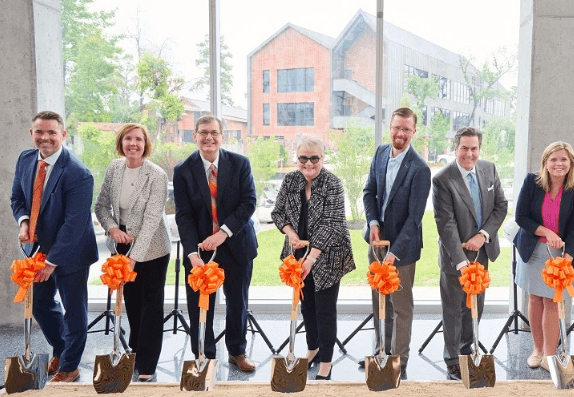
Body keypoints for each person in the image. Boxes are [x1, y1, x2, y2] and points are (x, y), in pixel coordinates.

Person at [10, 111, 99, 382]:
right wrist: (24, 223)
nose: (45, 137)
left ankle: (70, 366)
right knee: (39, 304)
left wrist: (51, 263)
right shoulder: (26, 159)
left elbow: (74, 225)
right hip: (37, 249)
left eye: (51, 132)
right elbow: (17, 198)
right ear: (32, 133)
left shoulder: (78, 173)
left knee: (74, 310)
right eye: (39, 132)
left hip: (71, 252)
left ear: (63, 135)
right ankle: (62, 349)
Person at [173, 115, 258, 372]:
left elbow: (248, 203)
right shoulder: (182, 170)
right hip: (200, 250)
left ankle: (237, 352)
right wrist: (192, 253)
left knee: (237, 303)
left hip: (236, 244)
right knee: (200, 305)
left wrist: (223, 233)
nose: (208, 137)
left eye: (214, 132)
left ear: (222, 136)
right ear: (195, 136)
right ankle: (204, 355)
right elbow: (184, 216)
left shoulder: (240, 163)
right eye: (203, 132)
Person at [271, 136, 356, 380]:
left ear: (323, 158)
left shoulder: (333, 183)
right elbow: (278, 213)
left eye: (314, 158)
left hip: (327, 255)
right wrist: (291, 234)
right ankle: (312, 349)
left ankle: (326, 362)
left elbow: (331, 224)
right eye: (303, 158)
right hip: (297, 253)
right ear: (296, 159)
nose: (308, 163)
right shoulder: (290, 180)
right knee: (307, 307)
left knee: (325, 310)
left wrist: (310, 259)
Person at [94, 123, 171, 382]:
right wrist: (113, 229)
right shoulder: (114, 168)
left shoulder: (156, 175)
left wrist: (133, 259)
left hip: (153, 248)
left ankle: (147, 365)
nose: (133, 144)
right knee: (133, 304)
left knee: (150, 307)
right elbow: (101, 206)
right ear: (121, 142)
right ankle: (135, 354)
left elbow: (151, 221)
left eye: (138, 139)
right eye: (128, 138)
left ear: (145, 144)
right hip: (122, 242)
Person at [361, 107, 431, 378]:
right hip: (377, 243)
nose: (400, 133)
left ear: (414, 132)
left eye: (406, 129)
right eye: (397, 127)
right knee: (379, 301)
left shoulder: (420, 169)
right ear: (389, 127)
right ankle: (381, 353)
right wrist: (373, 223)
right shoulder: (380, 153)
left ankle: (398, 359)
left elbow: (414, 219)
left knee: (400, 307)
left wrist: (394, 254)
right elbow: (369, 192)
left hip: (402, 249)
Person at [432, 127, 507, 380]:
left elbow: (501, 206)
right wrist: (461, 261)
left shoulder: (489, 169)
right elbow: (446, 224)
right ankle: (453, 361)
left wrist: (483, 235)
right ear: (455, 148)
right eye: (464, 148)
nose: (469, 153)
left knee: (476, 307)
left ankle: (468, 352)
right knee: (454, 311)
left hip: (482, 254)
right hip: (455, 257)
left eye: (474, 148)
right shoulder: (442, 179)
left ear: (479, 149)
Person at [514, 141, 574, 371]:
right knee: (535, 299)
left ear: (571, 163)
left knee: (553, 301)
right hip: (534, 249)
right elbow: (521, 217)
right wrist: (546, 232)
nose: (559, 164)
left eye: (564, 159)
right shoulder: (532, 182)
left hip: (563, 252)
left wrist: (568, 257)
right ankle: (537, 350)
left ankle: (549, 355)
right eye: (553, 159)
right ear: (545, 162)